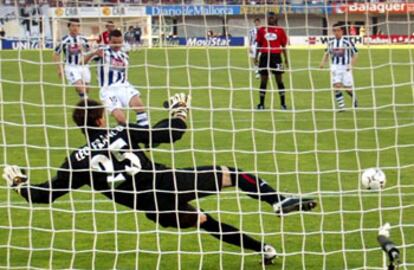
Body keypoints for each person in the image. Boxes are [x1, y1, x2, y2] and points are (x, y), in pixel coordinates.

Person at [3, 96, 317, 265]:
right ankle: (275, 201)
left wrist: (19, 182)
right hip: (169, 181)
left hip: (153, 208)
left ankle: (264, 251)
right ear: (101, 119)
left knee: (205, 221)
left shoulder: (76, 161)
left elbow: (45, 195)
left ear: (80, 127)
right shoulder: (121, 131)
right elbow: (170, 133)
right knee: (232, 174)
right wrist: (180, 110)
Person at [83, 29, 148, 126]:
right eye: (114, 42)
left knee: (139, 106)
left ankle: (145, 133)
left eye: (120, 42)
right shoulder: (103, 51)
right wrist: (94, 53)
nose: (117, 45)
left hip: (124, 86)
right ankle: (127, 136)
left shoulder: (123, 55)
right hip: (108, 90)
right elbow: (82, 62)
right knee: (121, 119)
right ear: (109, 41)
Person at [319, 22, 358, 111]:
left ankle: (354, 97)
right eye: (334, 31)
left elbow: (355, 54)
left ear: (342, 31)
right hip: (335, 67)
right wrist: (322, 63)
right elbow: (326, 53)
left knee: (348, 89)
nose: (336, 32)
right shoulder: (331, 42)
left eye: (338, 30)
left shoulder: (347, 42)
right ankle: (342, 107)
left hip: (346, 68)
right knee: (336, 86)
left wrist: (351, 65)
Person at [255, 12, 289, 110]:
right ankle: (261, 104)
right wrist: (256, 57)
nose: (270, 19)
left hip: (276, 56)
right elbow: (259, 44)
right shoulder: (261, 30)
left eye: (272, 17)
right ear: (266, 19)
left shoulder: (280, 30)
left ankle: (283, 104)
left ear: (275, 18)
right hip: (264, 56)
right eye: (269, 17)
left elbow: (283, 46)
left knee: (279, 80)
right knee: (263, 81)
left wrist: (286, 59)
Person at [53, 18, 91, 98]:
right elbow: (56, 54)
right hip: (71, 67)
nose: (75, 28)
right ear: (69, 27)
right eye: (73, 26)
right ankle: (86, 104)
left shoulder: (83, 39)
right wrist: (59, 69)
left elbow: (89, 51)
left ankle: (83, 100)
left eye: (77, 26)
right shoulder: (64, 40)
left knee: (86, 89)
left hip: (83, 66)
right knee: (80, 87)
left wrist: (83, 49)